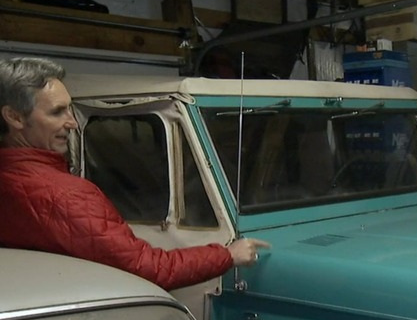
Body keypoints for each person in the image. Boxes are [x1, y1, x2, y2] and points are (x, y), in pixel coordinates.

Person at [0, 57, 270, 290]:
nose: (71, 122)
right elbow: (146, 268)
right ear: (14, 117)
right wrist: (227, 255)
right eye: (57, 112)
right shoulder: (66, 196)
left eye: (70, 108)